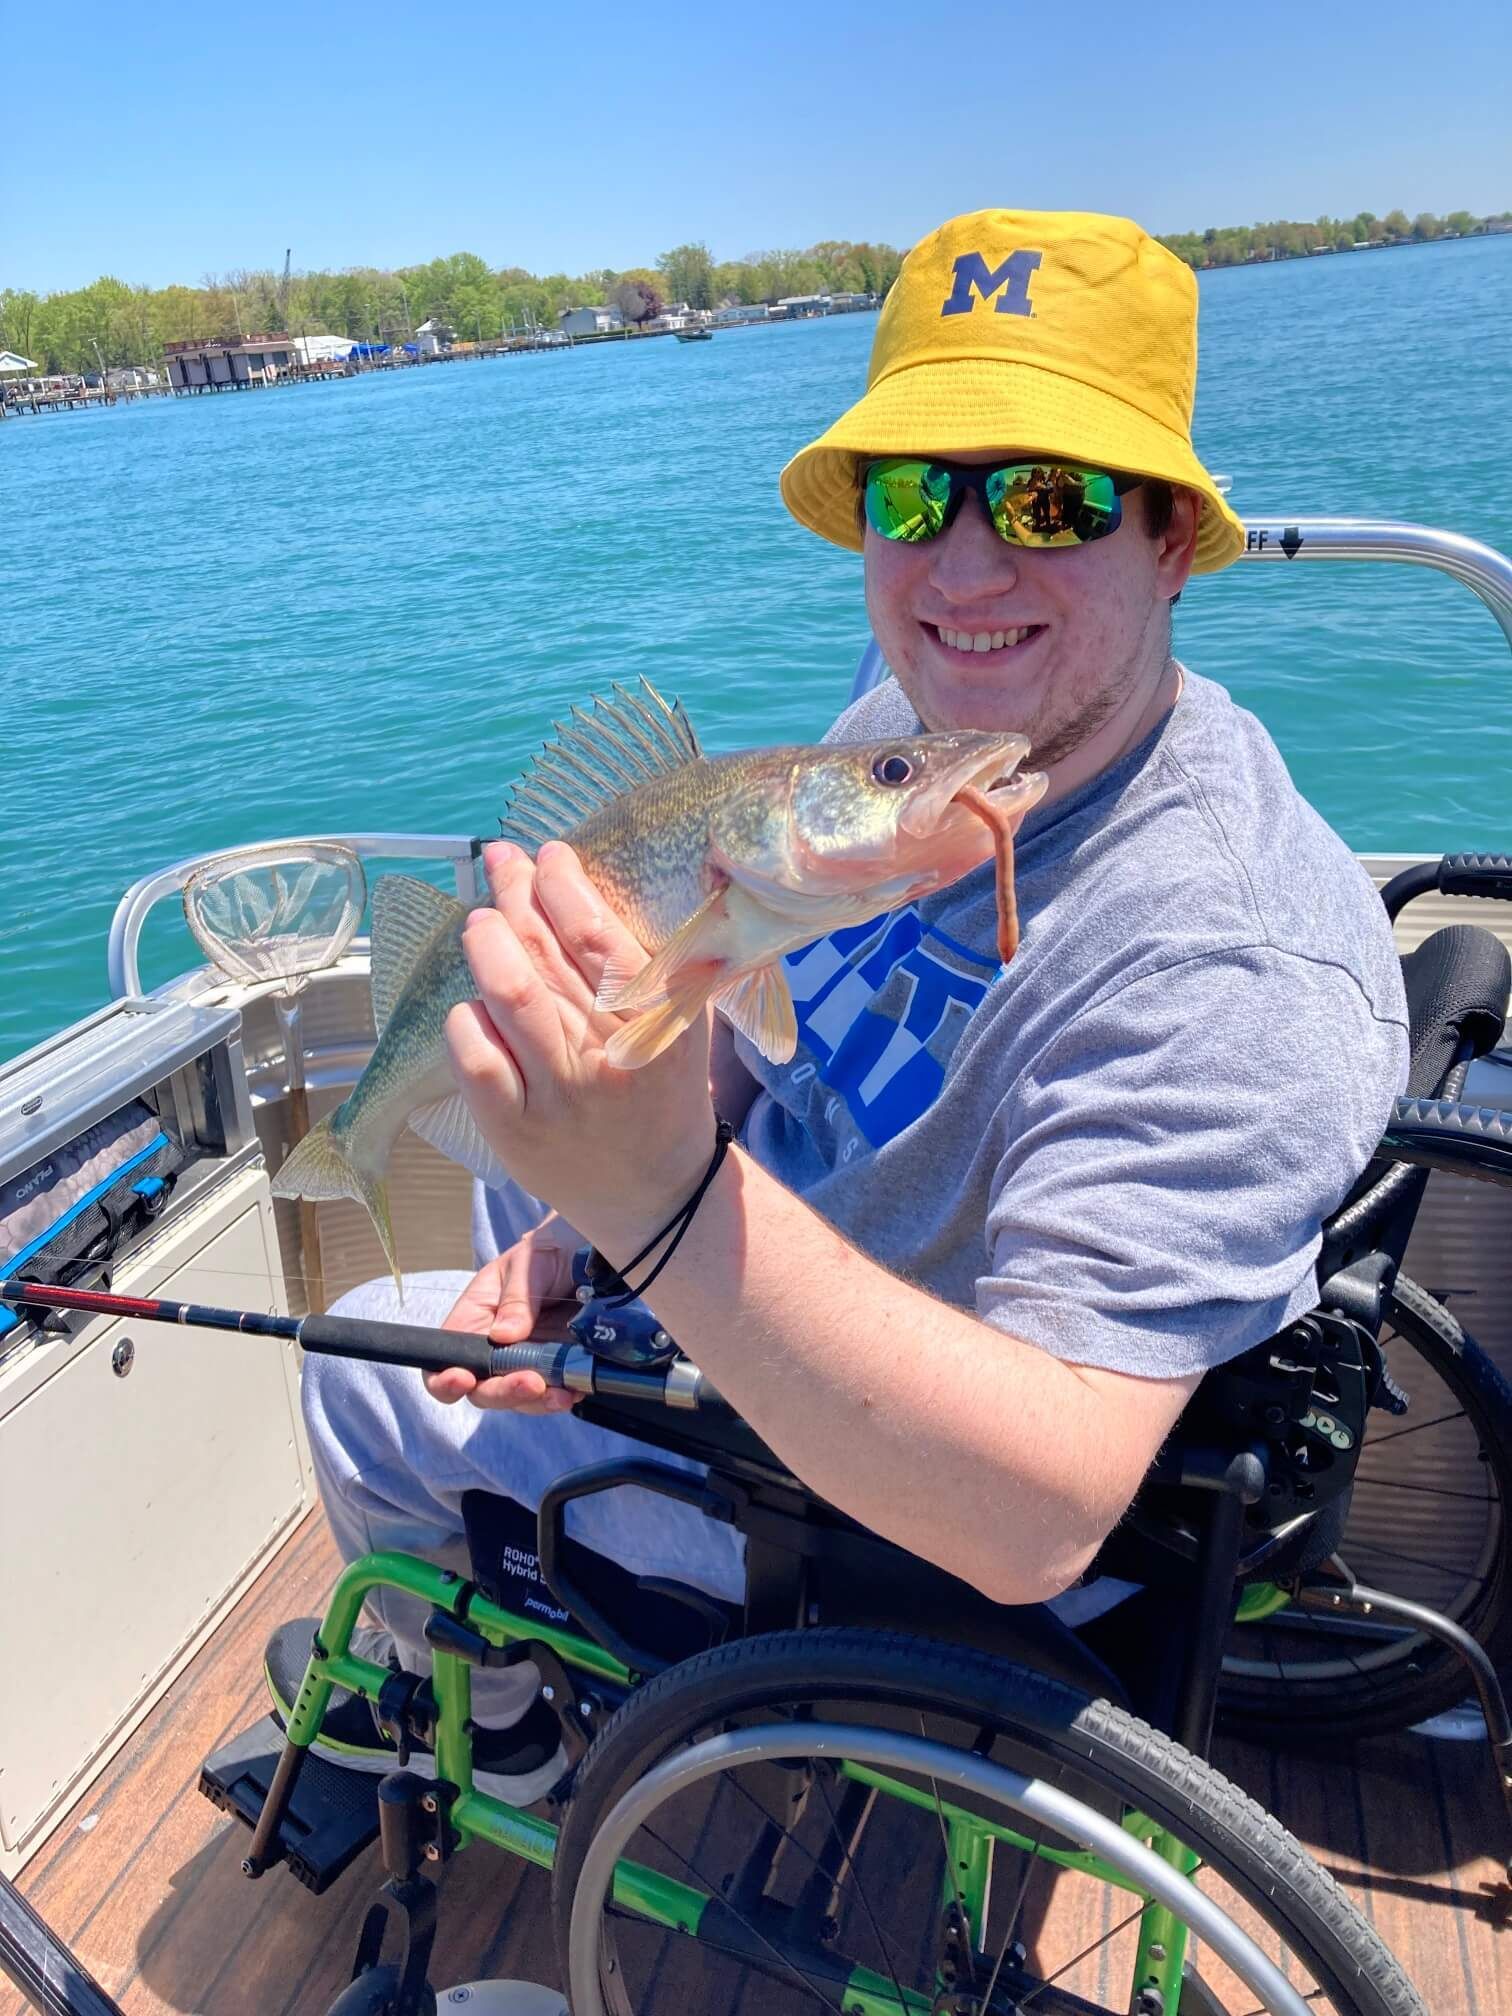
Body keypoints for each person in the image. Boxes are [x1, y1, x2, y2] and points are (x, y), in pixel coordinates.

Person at [270, 207, 1409, 1804]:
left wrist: (660, 1223)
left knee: (356, 1361)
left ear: (1170, 540)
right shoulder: (929, 723)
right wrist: (592, 1241)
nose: (961, 566)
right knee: (504, 1156)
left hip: (881, 1522)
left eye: (1048, 494)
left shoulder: (1227, 959)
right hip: (746, 1292)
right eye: (911, 491)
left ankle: (509, 1728)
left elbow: (1031, 1519)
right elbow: (757, 1004)